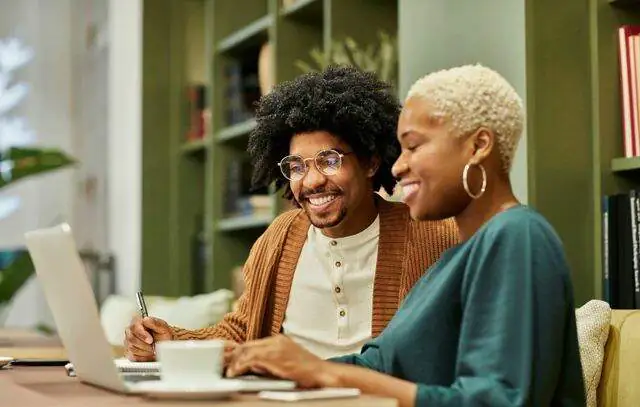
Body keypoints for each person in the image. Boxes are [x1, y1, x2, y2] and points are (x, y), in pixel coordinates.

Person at [225, 64, 587, 406]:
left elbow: (495, 401)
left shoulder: (517, 235)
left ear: (478, 146)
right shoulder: (451, 263)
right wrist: (277, 363)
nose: (398, 165)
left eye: (413, 146)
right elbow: (377, 367)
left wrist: (321, 372)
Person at [124, 65, 459, 363]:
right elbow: (242, 331)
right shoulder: (280, 237)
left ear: (371, 162)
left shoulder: (433, 237)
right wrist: (172, 343)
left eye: (330, 161)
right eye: (297, 166)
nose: (311, 181)